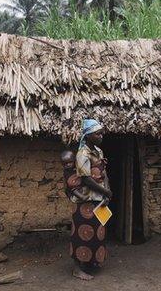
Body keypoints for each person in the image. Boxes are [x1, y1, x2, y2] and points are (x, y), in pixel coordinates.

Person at [69, 119, 112, 281]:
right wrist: (105, 191)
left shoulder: (99, 152)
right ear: (87, 135)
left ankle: (90, 262)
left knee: (97, 233)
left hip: (99, 198)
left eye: (101, 133)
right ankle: (77, 268)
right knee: (82, 234)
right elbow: (86, 179)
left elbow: (104, 173)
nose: (101, 136)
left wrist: (107, 191)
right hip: (85, 200)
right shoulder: (82, 154)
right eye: (97, 133)